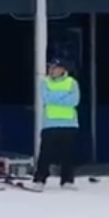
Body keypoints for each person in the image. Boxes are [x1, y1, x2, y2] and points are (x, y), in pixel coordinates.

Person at [31, 58, 81, 190]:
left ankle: (67, 180)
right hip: (50, 123)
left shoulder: (72, 82)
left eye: (55, 68)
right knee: (45, 154)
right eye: (50, 67)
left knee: (68, 154)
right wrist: (64, 96)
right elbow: (47, 98)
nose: (52, 70)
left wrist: (56, 97)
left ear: (63, 69)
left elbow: (74, 100)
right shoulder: (45, 82)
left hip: (69, 123)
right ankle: (40, 179)